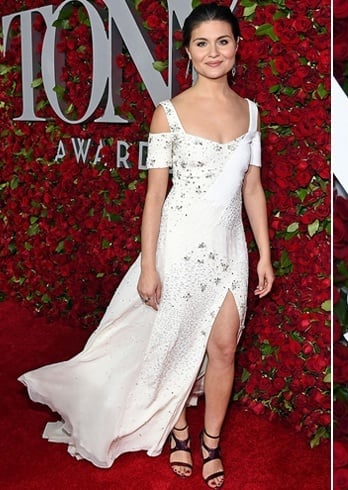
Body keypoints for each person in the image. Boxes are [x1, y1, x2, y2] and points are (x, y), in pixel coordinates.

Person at [19, 4, 273, 488]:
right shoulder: (167, 114)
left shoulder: (252, 112)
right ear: (189, 53)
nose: (213, 52)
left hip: (229, 250)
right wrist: (149, 266)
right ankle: (177, 428)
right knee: (171, 342)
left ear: (238, 46)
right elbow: (155, 195)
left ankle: (210, 442)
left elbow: (253, 188)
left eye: (223, 41)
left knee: (223, 347)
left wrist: (263, 251)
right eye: (202, 43)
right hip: (178, 246)